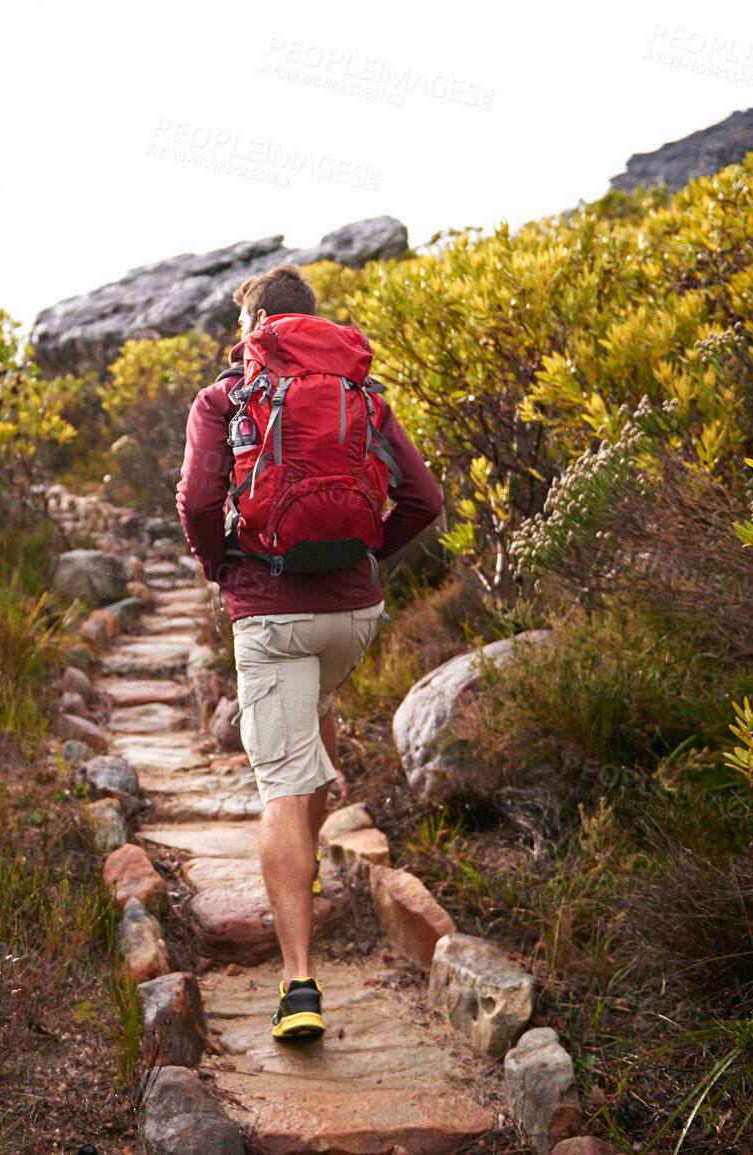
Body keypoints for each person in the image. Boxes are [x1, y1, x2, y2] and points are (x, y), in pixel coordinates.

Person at [175, 264, 443, 1040]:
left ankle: (298, 985)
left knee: (283, 789)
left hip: (270, 611)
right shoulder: (360, 395)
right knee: (315, 709)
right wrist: (367, 553)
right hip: (352, 613)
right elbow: (423, 499)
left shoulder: (224, 398)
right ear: (312, 320)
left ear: (252, 325)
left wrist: (217, 565)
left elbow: (197, 502)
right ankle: (309, 861)